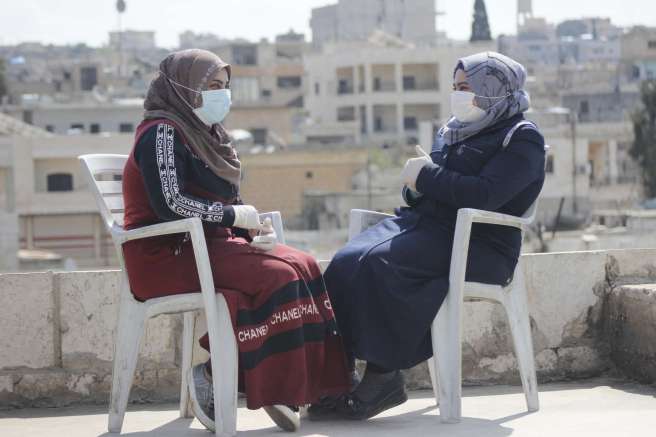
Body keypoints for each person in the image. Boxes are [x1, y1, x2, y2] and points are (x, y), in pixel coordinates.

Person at [121, 49, 350, 432]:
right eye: (211, 86)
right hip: (165, 255)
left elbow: (228, 201)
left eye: (225, 87)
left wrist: (252, 229)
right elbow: (170, 204)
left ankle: (284, 385)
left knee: (305, 265)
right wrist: (230, 218)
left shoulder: (210, 137)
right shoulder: (161, 132)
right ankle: (217, 375)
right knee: (277, 277)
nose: (220, 95)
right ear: (183, 87)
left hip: (209, 246)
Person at [310, 51, 546, 421]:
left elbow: (485, 194)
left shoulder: (521, 137)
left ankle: (383, 375)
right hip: (426, 228)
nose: (458, 95)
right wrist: (414, 187)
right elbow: (427, 186)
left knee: (382, 264)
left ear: (493, 86)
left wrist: (425, 178)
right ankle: (339, 376)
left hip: (480, 243)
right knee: (345, 263)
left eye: (466, 87)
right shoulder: (454, 129)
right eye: (455, 87)